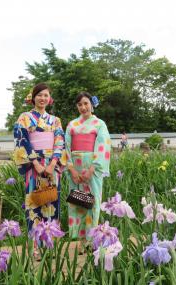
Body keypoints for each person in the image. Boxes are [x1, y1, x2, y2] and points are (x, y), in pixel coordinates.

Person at [13, 83, 65, 257]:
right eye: (39, 95)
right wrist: (35, 163)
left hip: (51, 165)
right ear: (33, 97)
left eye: (46, 95)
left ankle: (50, 244)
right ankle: (35, 247)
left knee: (51, 202)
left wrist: (53, 164)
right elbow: (22, 140)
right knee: (34, 203)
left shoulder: (55, 120)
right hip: (33, 165)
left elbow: (60, 141)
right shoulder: (25, 117)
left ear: (49, 99)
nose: (43, 98)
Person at [65, 91, 111, 250]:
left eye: (86, 103)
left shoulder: (99, 124)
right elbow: (66, 147)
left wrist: (93, 168)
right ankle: (82, 241)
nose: (83, 107)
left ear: (92, 104)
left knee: (92, 202)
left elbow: (103, 146)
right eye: (79, 105)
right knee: (78, 203)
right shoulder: (72, 124)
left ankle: (92, 241)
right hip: (75, 171)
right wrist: (71, 169)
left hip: (92, 170)